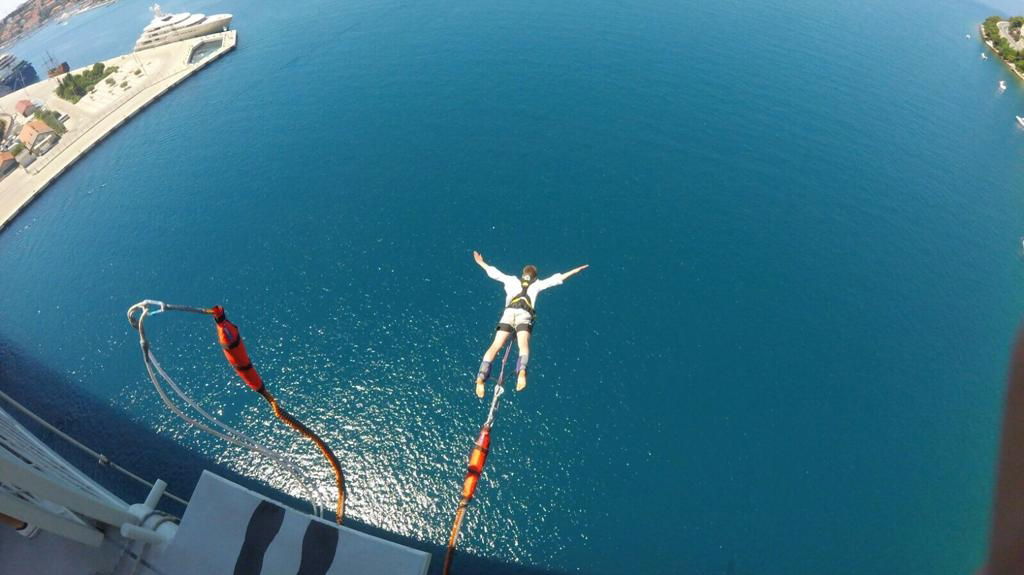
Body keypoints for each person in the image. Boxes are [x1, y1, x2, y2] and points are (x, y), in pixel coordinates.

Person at [471, 250, 588, 398]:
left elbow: (493, 271)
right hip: (524, 315)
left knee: (495, 345)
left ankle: (480, 378)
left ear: (523, 274)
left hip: (508, 314)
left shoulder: (511, 280)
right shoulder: (537, 285)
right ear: (535, 277)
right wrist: (576, 270)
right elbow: (557, 279)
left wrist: (480, 262)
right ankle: (521, 373)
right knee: (523, 345)